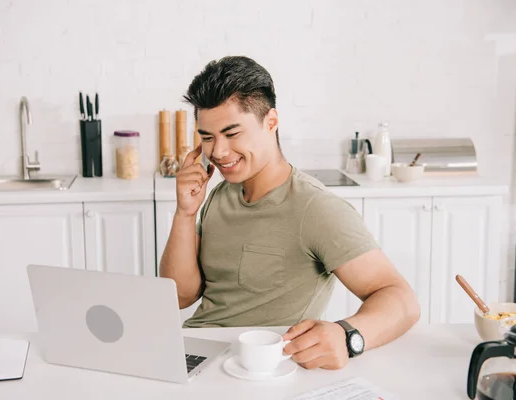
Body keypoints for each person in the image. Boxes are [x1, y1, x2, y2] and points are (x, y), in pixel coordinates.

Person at [159, 56, 420, 370]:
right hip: (197, 355)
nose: (218, 152)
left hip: (261, 370)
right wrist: (185, 214)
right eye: (207, 137)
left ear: (270, 122)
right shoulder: (218, 194)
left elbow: (403, 301)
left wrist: (347, 335)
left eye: (232, 134)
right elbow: (180, 296)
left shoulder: (316, 208)